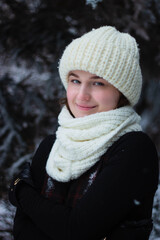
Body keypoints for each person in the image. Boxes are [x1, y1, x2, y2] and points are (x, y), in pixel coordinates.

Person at [9, 26, 159, 240]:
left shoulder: (133, 148)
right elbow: (22, 232)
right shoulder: (52, 145)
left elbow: (77, 231)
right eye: (75, 80)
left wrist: (22, 193)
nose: (82, 95)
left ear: (121, 92)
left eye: (97, 83)